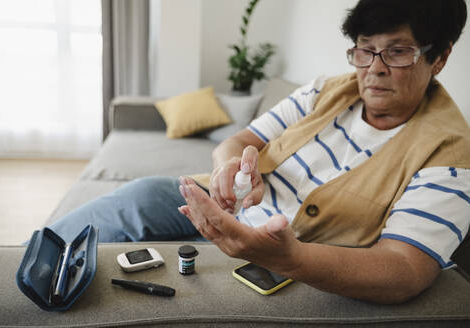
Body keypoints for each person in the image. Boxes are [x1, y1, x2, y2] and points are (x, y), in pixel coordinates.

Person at [49, 0, 470, 304]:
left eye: (397, 51)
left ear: (440, 58)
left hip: (288, 254)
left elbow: (404, 270)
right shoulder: (327, 89)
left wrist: (295, 259)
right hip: (225, 206)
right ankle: (37, 262)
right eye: (364, 48)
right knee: (138, 197)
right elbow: (240, 140)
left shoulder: (450, 151)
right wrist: (228, 165)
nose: (373, 68)